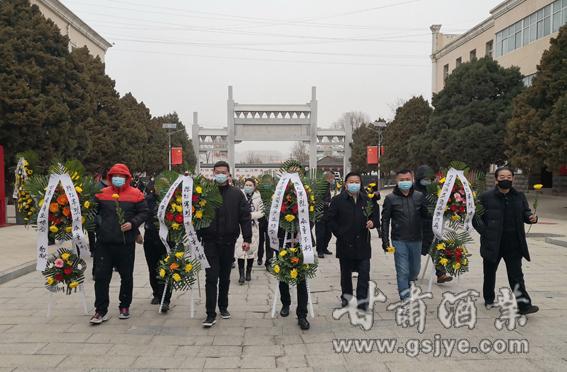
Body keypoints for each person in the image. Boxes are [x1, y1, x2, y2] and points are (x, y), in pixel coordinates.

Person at [474, 167, 539, 315]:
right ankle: (489, 298)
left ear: (513, 179)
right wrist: (486, 232)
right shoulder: (485, 197)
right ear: (496, 179)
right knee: (489, 273)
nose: (506, 179)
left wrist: (531, 218)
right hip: (493, 242)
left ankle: (524, 306)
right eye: (502, 177)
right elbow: (476, 219)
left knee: (516, 275)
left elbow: (526, 212)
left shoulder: (519, 196)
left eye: (509, 177)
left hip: (514, 243)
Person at [90, 163, 148, 324]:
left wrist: (133, 223)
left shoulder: (136, 194)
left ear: (127, 178)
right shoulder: (101, 193)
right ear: (110, 177)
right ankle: (100, 310)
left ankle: (124, 306)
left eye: (121, 176)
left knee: (126, 276)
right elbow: (92, 212)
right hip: (104, 243)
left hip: (125, 243)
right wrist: (97, 226)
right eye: (115, 176)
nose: (118, 179)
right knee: (101, 277)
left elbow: (144, 212)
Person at [199, 161, 252, 328]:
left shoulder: (237, 194)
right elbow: (197, 216)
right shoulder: (205, 194)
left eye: (224, 172)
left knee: (225, 277)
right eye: (217, 172)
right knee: (211, 277)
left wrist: (247, 238)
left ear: (229, 175)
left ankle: (223, 306)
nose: (220, 175)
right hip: (210, 241)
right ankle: (210, 313)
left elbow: (245, 217)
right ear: (213, 174)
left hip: (229, 242)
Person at [327, 171, 380, 310]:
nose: (354, 184)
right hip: (345, 243)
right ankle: (346, 297)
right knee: (346, 273)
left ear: (360, 184)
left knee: (364, 273)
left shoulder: (367, 200)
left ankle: (363, 300)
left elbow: (375, 217)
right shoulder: (338, 200)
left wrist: (372, 223)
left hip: (363, 242)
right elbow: (330, 219)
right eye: (351, 182)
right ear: (345, 184)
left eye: (357, 182)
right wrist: (339, 233)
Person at [381, 169, 429, 301]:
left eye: (407, 179)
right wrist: (385, 241)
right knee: (402, 270)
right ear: (396, 181)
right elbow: (385, 220)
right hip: (399, 239)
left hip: (416, 239)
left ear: (413, 180)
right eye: (402, 180)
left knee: (414, 271)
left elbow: (426, 215)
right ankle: (405, 296)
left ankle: (408, 283)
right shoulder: (390, 199)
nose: (405, 182)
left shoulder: (419, 196)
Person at [414, 165, 452, 284]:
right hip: (416, 225)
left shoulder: (435, 190)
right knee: (415, 250)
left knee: (437, 248)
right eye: (424, 178)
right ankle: (412, 272)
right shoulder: (412, 190)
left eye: (430, 178)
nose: (427, 181)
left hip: (432, 225)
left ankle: (441, 274)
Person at [143, 181, 172, 312]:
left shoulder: (173, 201)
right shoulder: (148, 200)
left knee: (166, 268)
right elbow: (140, 214)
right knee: (152, 268)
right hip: (150, 238)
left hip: (167, 240)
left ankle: (165, 299)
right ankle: (156, 293)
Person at [235, 178, 264, 284]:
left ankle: (248, 272)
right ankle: (241, 274)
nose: (248, 187)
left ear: (254, 187)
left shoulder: (258, 198)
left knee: (251, 251)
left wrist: (249, 215)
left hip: (253, 227)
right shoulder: (239, 196)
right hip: (240, 227)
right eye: (246, 185)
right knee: (240, 251)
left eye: (250, 185)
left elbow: (262, 212)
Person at [316, 172, 335, 259]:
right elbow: (317, 199)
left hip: (327, 213)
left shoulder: (327, 186)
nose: (333, 180)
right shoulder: (321, 186)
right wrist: (326, 203)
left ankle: (324, 248)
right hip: (320, 214)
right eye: (332, 178)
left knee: (328, 233)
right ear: (329, 177)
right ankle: (320, 250)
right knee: (321, 233)